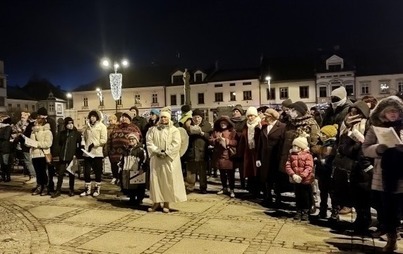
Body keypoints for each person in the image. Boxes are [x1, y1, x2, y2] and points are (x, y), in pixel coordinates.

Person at [362, 95, 403, 252]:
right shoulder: (376, 128)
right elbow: (366, 148)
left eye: (396, 111)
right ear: (383, 113)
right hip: (385, 175)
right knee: (388, 209)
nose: (393, 114)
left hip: (402, 173)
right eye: (389, 111)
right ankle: (391, 239)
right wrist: (379, 148)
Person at [146, 107, 187, 212]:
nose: (163, 119)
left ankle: (166, 203)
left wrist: (167, 153)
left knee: (168, 181)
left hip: (169, 160)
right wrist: (157, 151)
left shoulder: (174, 130)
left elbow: (176, 143)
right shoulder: (153, 130)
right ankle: (156, 202)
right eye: (162, 117)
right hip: (157, 159)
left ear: (169, 118)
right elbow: (149, 142)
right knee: (156, 181)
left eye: (165, 117)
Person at [256, 108, 286, 207]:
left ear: (272, 117)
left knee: (277, 179)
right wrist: (258, 158)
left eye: (267, 116)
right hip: (265, 157)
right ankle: (267, 197)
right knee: (266, 178)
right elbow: (260, 144)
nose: (265, 118)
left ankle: (278, 198)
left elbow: (283, 144)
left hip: (276, 157)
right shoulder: (264, 127)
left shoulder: (282, 127)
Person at [311, 124, 338, 219]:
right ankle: (323, 210)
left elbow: (331, 157)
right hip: (322, 171)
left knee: (331, 192)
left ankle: (334, 211)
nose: (320, 135)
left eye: (323, 133)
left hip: (329, 172)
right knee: (323, 192)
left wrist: (322, 160)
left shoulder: (333, 145)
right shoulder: (321, 144)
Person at [285, 136, 314, 221]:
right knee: (298, 196)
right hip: (296, 179)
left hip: (305, 180)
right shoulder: (291, 155)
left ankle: (305, 211)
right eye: (293, 146)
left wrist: (302, 176)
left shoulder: (308, 156)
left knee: (305, 196)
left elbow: (309, 167)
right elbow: (288, 166)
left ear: (301, 147)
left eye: (296, 146)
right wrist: (293, 174)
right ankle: (298, 210)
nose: (294, 147)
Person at [108, 112, 141, 186]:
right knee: (116, 170)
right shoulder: (116, 127)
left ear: (130, 119)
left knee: (125, 171)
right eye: (123, 117)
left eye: (126, 117)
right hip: (114, 154)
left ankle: (126, 187)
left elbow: (138, 139)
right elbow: (110, 138)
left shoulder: (134, 128)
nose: (124, 119)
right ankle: (117, 180)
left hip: (127, 154)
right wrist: (109, 150)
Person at [51, 117, 82, 198]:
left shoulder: (76, 134)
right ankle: (58, 190)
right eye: (68, 123)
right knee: (60, 174)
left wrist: (77, 155)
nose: (70, 125)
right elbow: (58, 144)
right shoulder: (62, 134)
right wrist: (58, 154)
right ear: (65, 125)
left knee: (71, 174)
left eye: (71, 123)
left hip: (72, 156)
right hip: (63, 156)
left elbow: (79, 145)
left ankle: (71, 189)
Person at [80, 110, 107, 197]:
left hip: (97, 152)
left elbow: (104, 140)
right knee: (86, 172)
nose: (92, 118)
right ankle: (87, 188)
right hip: (87, 152)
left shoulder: (102, 126)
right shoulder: (87, 127)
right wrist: (83, 144)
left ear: (97, 117)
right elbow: (83, 137)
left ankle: (97, 188)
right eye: (91, 116)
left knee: (97, 171)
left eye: (94, 116)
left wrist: (94, 144)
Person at [184, 109, 212, 194]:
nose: (197, 119)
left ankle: (203, 187)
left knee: (202, 172)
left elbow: (210, 137)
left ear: (201, 118)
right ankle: (190, 187)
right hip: (191, 152)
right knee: (190, 171)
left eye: (198, 117)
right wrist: (189, 128)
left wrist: (202, 133)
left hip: (202, 152)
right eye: (195, 117)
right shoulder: (188, 125)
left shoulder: (207, 125)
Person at [209, 116, 238, 198]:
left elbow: (236, 142)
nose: (223, 124)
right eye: (221, 123)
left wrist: (227, 141)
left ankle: (232, 189)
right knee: (222, 173)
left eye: (224, 123)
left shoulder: (232, 131)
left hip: (229, 155)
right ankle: (224, 187)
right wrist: (216, 140)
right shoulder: (216, 131)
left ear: (228, 123)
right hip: (219, 155)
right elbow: (210, 140)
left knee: (230, 173)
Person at [238, 107, 262, 196]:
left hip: (256, 152)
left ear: (255, 115)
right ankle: (251, 190)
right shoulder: (246, 125)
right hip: (248, 151)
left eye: (252, 116)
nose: (250, 118)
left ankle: (258, 190)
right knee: (249, 171)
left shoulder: (259, 124)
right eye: (248, 116)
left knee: (257, 171)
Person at [119, 132, 147, 205]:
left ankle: (139, 198)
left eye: (133, 139)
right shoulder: (126, 150)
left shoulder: (140, 150)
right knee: (129, 185)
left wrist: (142, 168)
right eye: (130, 139)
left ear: (136, 140)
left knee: (138, 185)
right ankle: (131, 197)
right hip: (127, 169)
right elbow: (122, 159)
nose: (131, 141)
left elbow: (144, 159)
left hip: (137, 169)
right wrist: (120, 167)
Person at [29, 116, 53, 195]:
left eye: (37, 120)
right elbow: (31, 141)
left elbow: (48, 143)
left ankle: (45, 187)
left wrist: (37, 144)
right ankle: (39, 186)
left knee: (43, 172)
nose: (35, 122)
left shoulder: (47, 131)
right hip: (34, 154)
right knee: (37, 172)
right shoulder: (33, 131)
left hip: (43, 154)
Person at [37, 107, 57, 195]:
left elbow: (53, 135)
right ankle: (43, 185)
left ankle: (50, 186)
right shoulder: (39, 122)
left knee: (49, 168)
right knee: (42, 168)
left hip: (49, 149)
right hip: (41, 149)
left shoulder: (50, 122)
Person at [17, 112, 38, 184]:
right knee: (29, 161)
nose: (22, 117)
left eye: (24, 115)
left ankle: (33, 176)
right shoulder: (30, 124)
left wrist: (21, 135)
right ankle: (32, 176)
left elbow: (27, 135)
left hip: (27, 145)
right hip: (27, 144)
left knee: (28, 161)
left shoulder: (31, 125)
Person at [231, 104, 246, 189]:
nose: (235, 113)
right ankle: (232, 185)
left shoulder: (244, 121)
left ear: (241, 113)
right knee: (232, 167)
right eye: (234, 111)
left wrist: (237, 133)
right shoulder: (230, 121)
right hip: (232, 147)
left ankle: (243, 184)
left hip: (241, 146)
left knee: (241, 167)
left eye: (237, 111)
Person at [0, 116, 12, 182]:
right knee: (1, 163)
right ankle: (3, 176)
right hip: (1, 146)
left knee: (5, 162)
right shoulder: (1, 127)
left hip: (5, 147)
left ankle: (7, 176)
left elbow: (6, 137)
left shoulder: (8, 127)